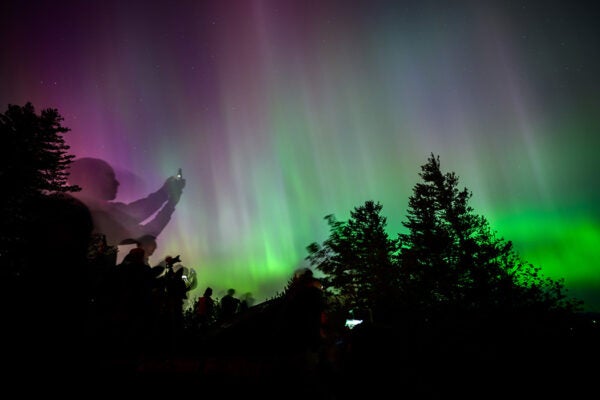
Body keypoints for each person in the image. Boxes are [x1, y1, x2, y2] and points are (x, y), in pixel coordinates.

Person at [67, 157, 186, 248]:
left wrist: (170, 201)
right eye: (109, 176)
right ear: (86, 177)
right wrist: (167, 193)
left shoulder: (82, 210)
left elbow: (146, 230)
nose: (117, 183)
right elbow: (139, 217)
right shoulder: (78, 213)